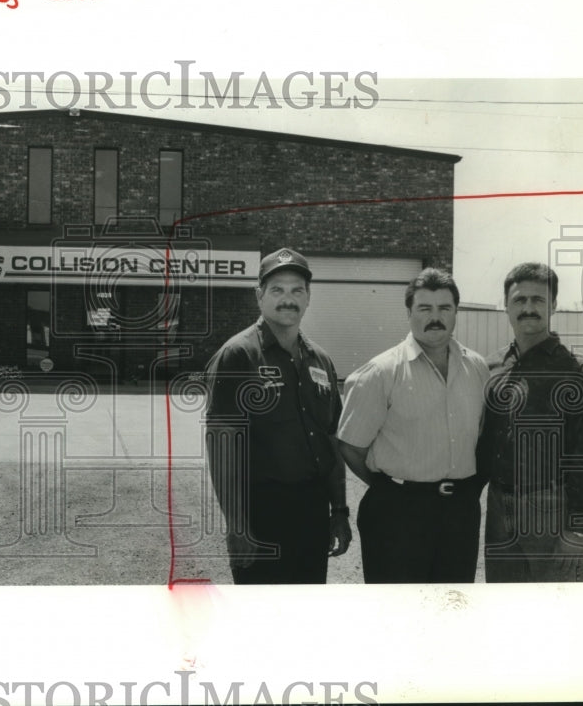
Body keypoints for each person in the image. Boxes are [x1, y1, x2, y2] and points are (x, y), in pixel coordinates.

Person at [204, 247, 351, 584]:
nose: (288, 299)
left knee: (306, 616)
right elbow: (222, 447)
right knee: (260, 621)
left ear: (308, 297)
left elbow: (331, 441)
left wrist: (339, 511)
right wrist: (237, 526)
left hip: (313, 511)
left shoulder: (320, 360)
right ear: (260, 296)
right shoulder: (237, 356)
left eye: (297, 290)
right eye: (278, 290)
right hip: (261, 514)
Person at [338, 268, 489, 583]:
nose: (435, 317)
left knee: (450, 611)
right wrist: (391, 487)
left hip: (460, 513)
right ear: (409, 313)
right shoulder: (380, 373)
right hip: (397, 515)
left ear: (456, 312)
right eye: (425, 308)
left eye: (444, 308)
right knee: (398, 615)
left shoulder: (476, 368)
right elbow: (351, 447)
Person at [477, 262, 583, 582]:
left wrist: (578, 530)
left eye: (538, 300)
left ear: (553, 305)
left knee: (557, 613)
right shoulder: (491, 367)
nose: (528, 308)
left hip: (552, 512)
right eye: (519, 300)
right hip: (499, 509)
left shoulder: (579, 373)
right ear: (506, 307)